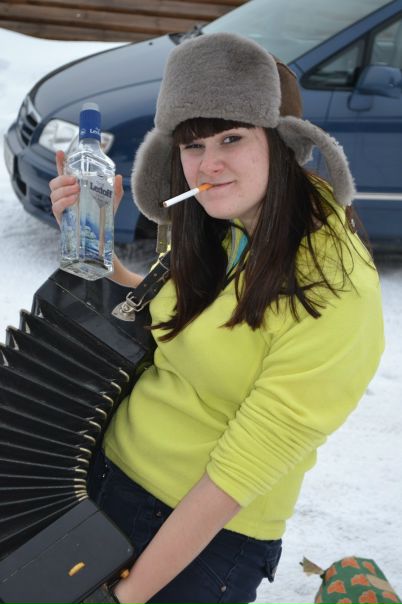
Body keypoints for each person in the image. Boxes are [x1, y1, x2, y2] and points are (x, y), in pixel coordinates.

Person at [49, 32, 384, 604]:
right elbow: (167, 318)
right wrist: (96, 250)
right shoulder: (227, 226)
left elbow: (239, 473)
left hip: (202, 538)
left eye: (232, 137)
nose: (209, 164)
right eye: (193, 144)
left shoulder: (335, 287)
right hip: (108, 478)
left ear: (281, 143)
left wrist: (127, 596)